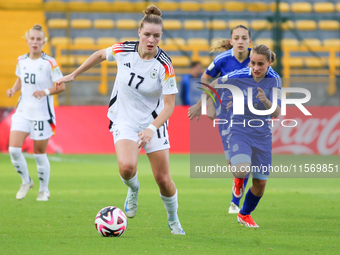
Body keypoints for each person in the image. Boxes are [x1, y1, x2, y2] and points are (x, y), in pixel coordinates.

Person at [55, 5, 185, 235]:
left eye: (156, 35)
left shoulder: (165, 65)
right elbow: (98, 55)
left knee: (163, 179)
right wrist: (74, 74)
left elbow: (169, 106)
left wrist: (151, 129)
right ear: (139, 33)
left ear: (161, 36)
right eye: (147, 34)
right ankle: (133, 189)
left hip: (153, 123)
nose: (151, 39)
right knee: (127, 168)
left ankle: (173, 219)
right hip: (124, 118)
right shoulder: (124, 49)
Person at [194, 44, 282, 227]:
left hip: (263, 135)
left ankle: (244, 215)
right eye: (253, 63)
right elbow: (214, 83)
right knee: (241, 169)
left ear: (270, 63)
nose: (256, 68)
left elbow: (276, 113)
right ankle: (239, 179)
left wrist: (264, 100)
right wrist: (201, 104)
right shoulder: (240, 74)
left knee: (260, 185)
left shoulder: (275, 80)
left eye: (261, 64)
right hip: (239, 129)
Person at [189, 25, 252, 214]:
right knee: (234, 166)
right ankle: (238, 183)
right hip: (227, 114)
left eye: (244, 38)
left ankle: (235, 202)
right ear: (231, 41)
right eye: (237, 38)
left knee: (245, 160)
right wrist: (207, 102)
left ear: (249, 41)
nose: (240, 41)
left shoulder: (256, 59)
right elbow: (205, 78)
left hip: (250, 114)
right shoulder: (222, 60)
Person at [6, 24, 65, 201]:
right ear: (27, 40)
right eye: (32, 38)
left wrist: (45, 92)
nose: (35, 42)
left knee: (39, 153)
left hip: (41, 114)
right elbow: (21, 79)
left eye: (39, 39)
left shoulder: (49, 62)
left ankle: (44, 190)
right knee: (14, 150)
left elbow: (60, 85)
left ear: (44, 42)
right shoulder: (21, 60)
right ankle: (26, 181)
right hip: (23, 111)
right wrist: (13, 89)